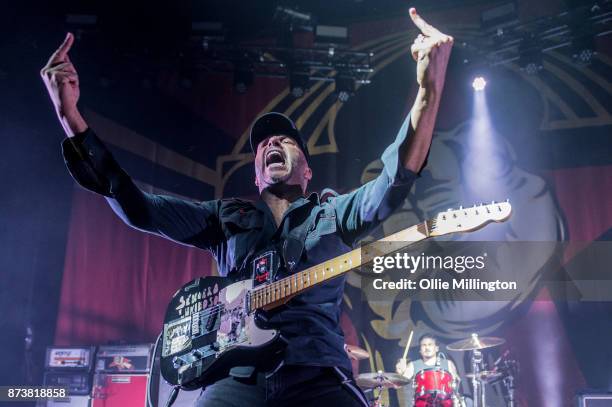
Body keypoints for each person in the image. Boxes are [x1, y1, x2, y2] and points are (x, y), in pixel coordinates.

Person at [41, 7, 453, 407]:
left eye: (286, 141)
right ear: (256, 175)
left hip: (317, 375)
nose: (272, 144)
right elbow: (139, 208)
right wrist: (70, 117)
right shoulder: (224, 218)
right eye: (263, 145)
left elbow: (393, 181)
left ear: (307, 171)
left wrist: (428, 91)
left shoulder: (335, 214)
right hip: (237, 380)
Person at [396, 334, 460, 407]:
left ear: (437, 348)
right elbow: (397, 386)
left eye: (430, 344)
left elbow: (456, 384)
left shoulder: (448, 363)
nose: (427, 348)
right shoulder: (412, 365)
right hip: (421, 403)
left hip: (445, 403)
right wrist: (399, 373)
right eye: (423, 345)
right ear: (420, 350)